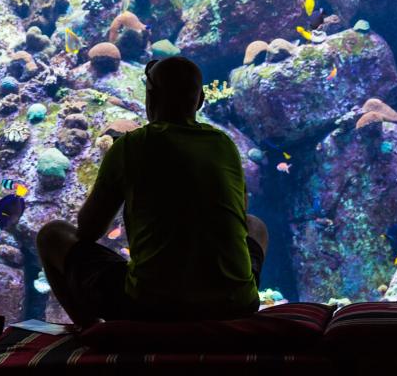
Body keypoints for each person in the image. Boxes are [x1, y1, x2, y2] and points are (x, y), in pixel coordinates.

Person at [36, 56, 267, 326]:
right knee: (256, 226)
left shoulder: (131, 145)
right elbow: (239, 217)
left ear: (150, 97)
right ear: (201, 99)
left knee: (52, 235)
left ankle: (90, 332)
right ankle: (236, 295)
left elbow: (88, 230)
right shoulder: (224, 144)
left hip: (149, 306)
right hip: (236, 305)